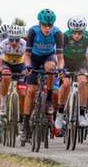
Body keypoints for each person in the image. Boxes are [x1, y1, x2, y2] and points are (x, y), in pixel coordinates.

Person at [22, 9, 64, 143]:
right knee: (30, 91)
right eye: (44, 25)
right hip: (34, 58)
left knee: (51, 68)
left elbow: (60, 58)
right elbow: (27, 56)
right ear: (39, 23)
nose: (47, 28)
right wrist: (27, 66)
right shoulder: (33, 31)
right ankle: (25, 126)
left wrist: (61, 68)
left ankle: (49, 98)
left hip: (49, 57)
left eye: (50, 26)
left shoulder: (57, 33)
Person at [56, 17, 88, 131]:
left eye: (80, 33)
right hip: (66, 61)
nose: (77, 35)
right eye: (75, 32)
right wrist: (60, 69)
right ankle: (59, 114)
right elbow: (58, 55)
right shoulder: (64, 36)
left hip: (80, 62)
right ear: (70, 30)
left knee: (83, 81)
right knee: (66, 84)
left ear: (83, 31)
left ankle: (82, 113)